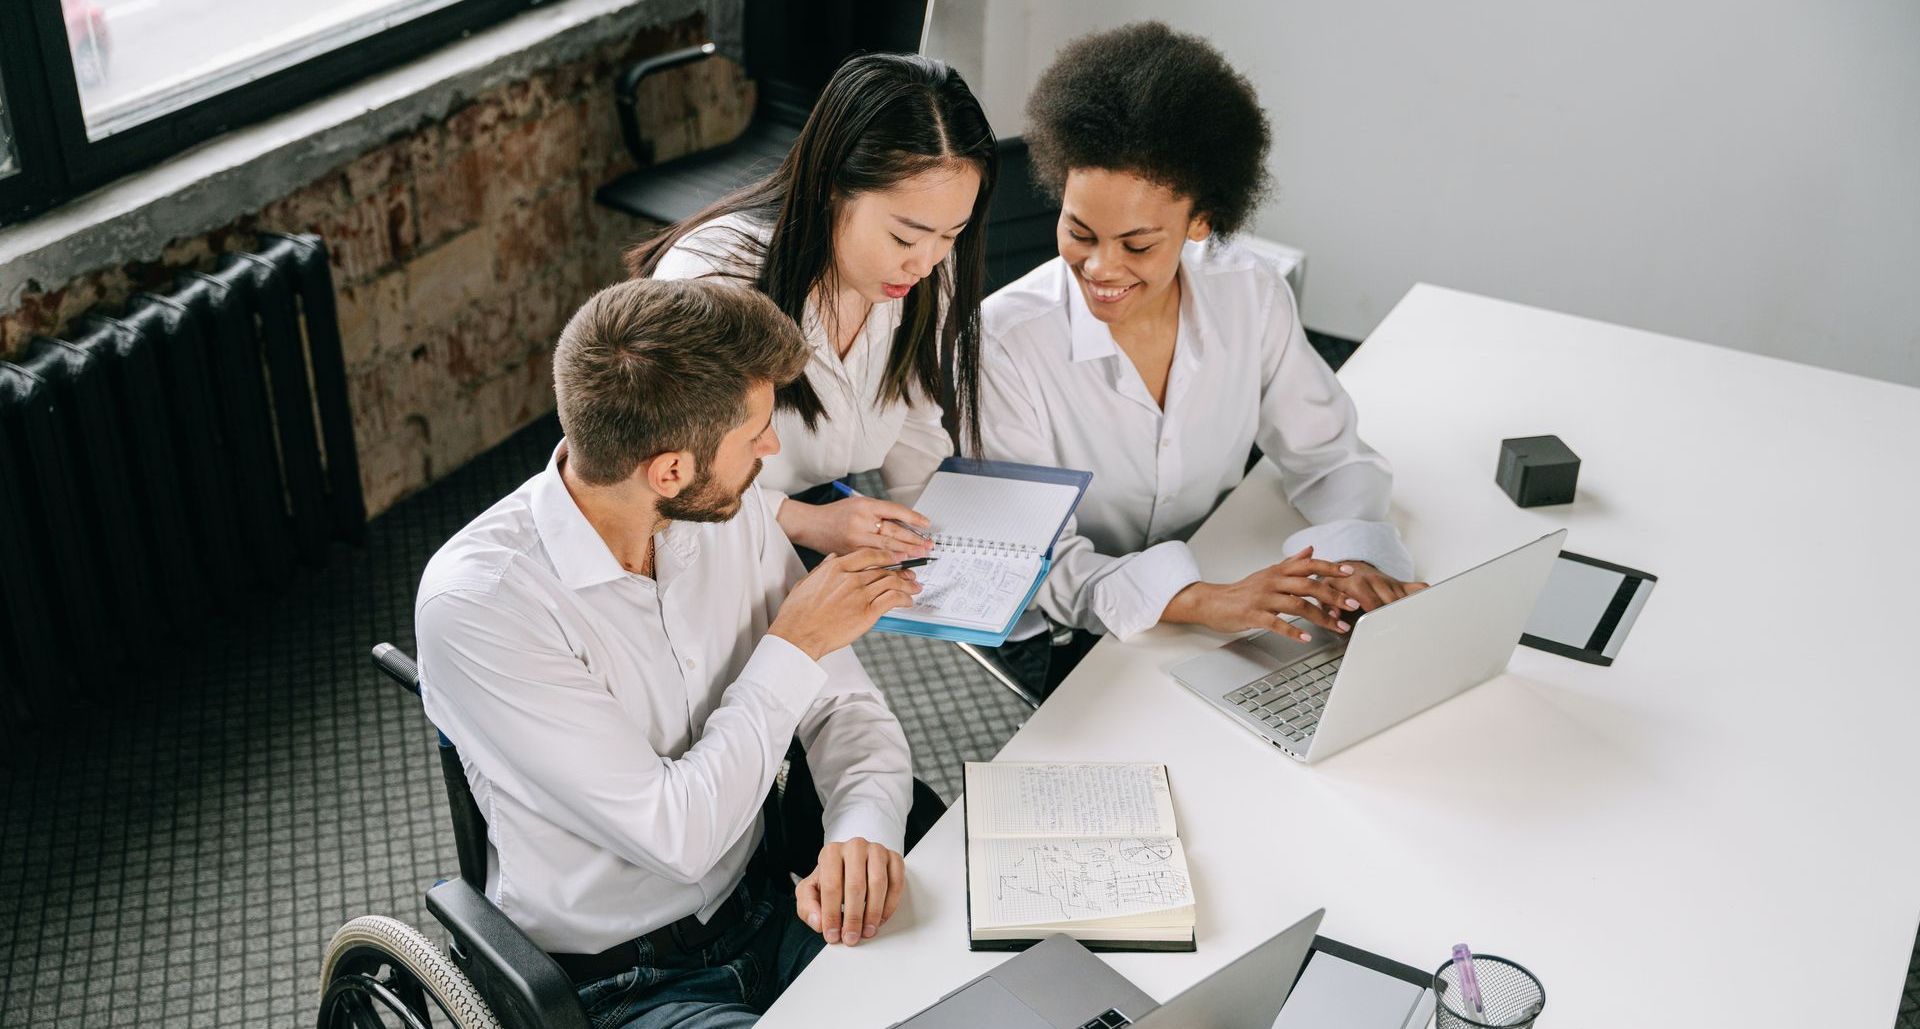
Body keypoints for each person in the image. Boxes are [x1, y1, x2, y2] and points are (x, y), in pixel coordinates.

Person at [414, 278, 924, 1028]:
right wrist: (795, 642)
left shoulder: (730, 508)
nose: (772, 447)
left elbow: (842, 703)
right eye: (755, 432)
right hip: (620, 982)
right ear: (671, 470)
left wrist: (861, 826)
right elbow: (677, 839)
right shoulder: (481, 604)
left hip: (770, 904)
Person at [980, 22, 1426, 696]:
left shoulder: (1249, 294)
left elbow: (1331, 456)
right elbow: (1033, 560)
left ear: (1200, 223)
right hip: (1094, 627)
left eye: (1137, 245)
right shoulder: (1006, 344)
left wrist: (1352, 560)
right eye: (1079, 232)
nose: (1101, 267)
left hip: (1229, 575)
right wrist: (1199, 599)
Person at [627, 52, 997, 565]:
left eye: (951, 235)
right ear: (829, 186)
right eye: (903, 236)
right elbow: (663, 480)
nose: (927, 263)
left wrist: (941, 540)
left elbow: (914, 426)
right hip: (692, 537)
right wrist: (807, 523)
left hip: (819, 517)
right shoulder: (712, 282)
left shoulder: (930, 271)